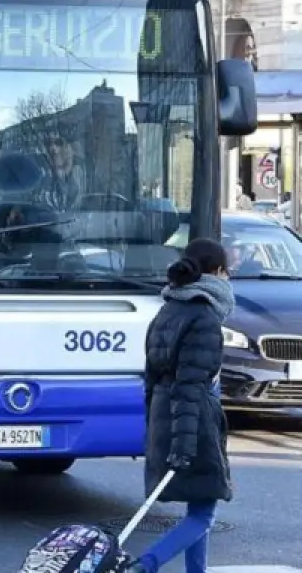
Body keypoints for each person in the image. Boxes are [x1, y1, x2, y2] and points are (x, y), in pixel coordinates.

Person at [127, 238, 234, 573]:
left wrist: (154, 428)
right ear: (216, 273)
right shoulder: (203, 317)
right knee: (203, 513)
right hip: (193, 419)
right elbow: (191, 386)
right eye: (226, 270)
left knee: (198, 507)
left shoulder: (167, 309)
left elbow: (151, 378)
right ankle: (145, 565)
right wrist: (185, 443)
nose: (229, 278)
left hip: (165, 414)